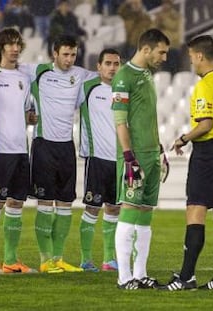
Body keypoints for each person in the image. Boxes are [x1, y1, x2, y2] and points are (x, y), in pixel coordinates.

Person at [19, 34, 97, 273]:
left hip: (66, 147)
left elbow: (108, 75)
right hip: (43, 144)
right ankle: (45, 260)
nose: (69, 59)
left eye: (73, 54)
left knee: (65, 203)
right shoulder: (37, 71)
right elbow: (5, 68)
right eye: (65, 54)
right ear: (55, 54)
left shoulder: (81, 75)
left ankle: (59, 258)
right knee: (45, 203)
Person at [160, 35, 213, 291]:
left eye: (190, 57)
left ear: (199, 56)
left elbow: (206, 123)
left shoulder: (205, 85)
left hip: (208, 154)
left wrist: (183, 138)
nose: (190, 62)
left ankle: (186, 276)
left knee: (195, 210)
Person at [111, 28, 169, 289]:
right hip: (133, 157)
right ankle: (124, 278)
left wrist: (158, 148)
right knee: (130, 210)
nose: (165, 57)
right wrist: (128, 157)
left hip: (151, 154)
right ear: (146, 49)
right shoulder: (124, 76)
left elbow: (146, 116)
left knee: (146, 212)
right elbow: (120, 121)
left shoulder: (146, 74)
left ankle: (140, 273)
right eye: (161, 52)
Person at [0, 27, 36, 274]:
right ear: (1, 47)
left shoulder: (24, 78)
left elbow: (27, 112)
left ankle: (11, 260)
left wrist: (31, 117)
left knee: (16, 203)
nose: (15, 48)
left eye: (18, 44)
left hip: (19, 149)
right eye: (10, 44)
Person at [78, 48, 121, 272]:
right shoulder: (87, 88)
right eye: (108, 63)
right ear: (99, 66)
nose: (112, 68)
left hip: (119, 160)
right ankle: (85, 259)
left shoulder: (124, 91)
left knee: (114, 208)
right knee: (92, 208)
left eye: (116, 64)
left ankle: (108, 259)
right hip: (96, 158)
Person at [48, 0, 87, 66]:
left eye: (66, 5)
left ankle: (80, 65)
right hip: (61, 39)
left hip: (73, 39)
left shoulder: (72, 17)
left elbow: (76, 28)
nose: (65, 7)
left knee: (81, 45)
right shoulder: (55, 18)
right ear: (59, 6)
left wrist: (84, 33)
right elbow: (54, 32)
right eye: (63, 5)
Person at [154, 0, 182, 74]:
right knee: (165, 70)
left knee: (175, 69)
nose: (165, 6)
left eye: (167, 4)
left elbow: (173, 26)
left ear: (170, 5)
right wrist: (157, 20)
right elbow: (155, 29)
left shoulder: (175, 15)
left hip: (173, 46)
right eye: (164, 4)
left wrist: (163, 19)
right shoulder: (160, 15)